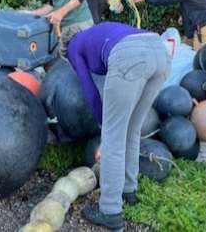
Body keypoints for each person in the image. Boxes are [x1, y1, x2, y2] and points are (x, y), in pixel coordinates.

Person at [67, 22, 170, 230]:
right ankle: (129, 190)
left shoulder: (73, 46)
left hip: (131, 56)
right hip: (160, 52)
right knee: (132, 129)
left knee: (113, 138)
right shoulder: (97, 33)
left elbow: (89, 91)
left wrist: (105, 126)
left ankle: (110, 212)